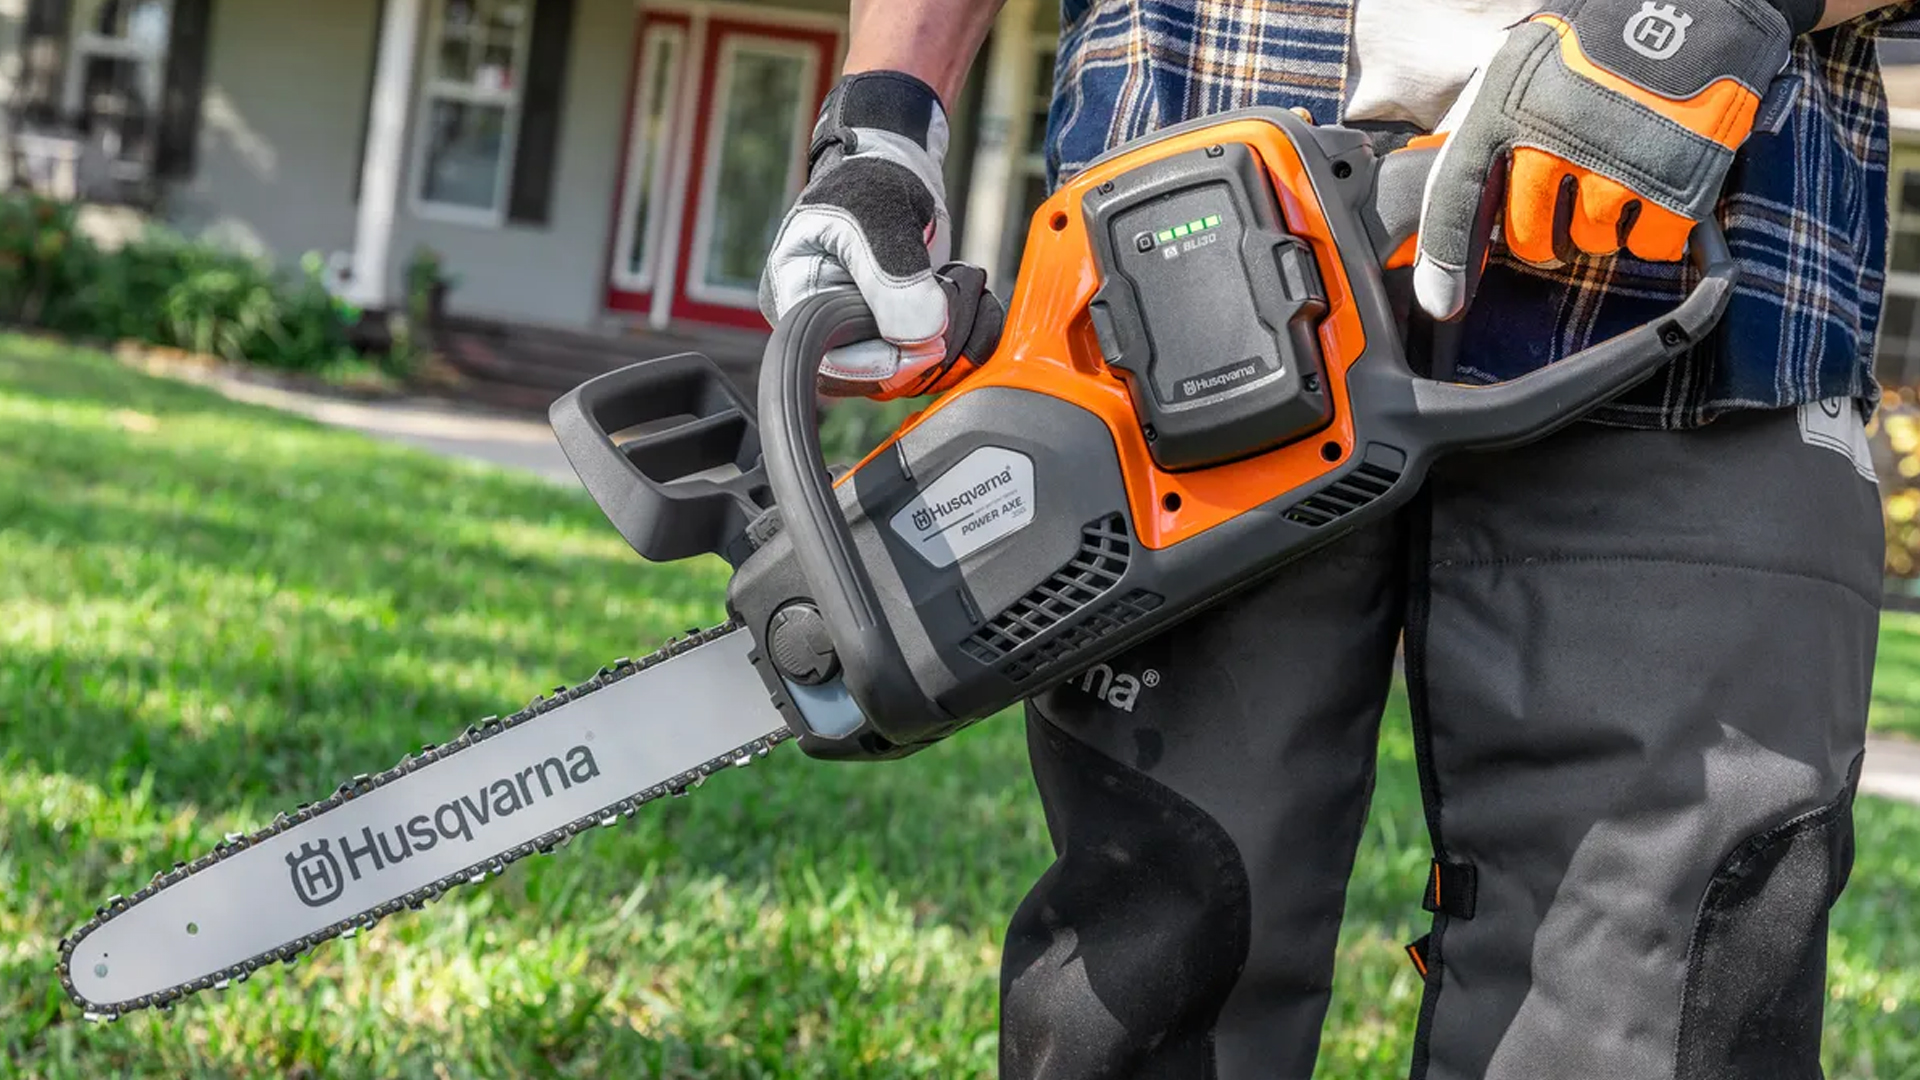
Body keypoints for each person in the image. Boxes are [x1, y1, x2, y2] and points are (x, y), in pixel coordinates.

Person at [759, 1, 1915, 1076]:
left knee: (1663, 998)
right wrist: (881, 122)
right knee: (1144, 970)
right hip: (1185, 280)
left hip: (1703, 263)